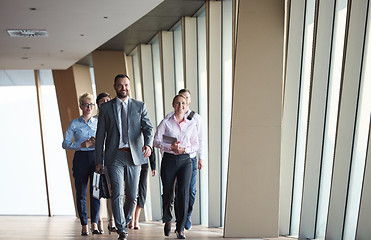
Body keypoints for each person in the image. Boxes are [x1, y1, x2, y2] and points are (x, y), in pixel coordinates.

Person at [95, 74, 153, 240]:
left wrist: (148, 144)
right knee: (117, 193)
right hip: (114, 156)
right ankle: (121, 229)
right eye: (120, 85)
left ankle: (126, 221)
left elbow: (148, 128)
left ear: (129, 85)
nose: (123, 88)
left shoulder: (139, 106)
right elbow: (100, 136)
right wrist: (99, 160)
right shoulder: (106, 108)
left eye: (126, 85)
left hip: (135, 156)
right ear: (115, 87)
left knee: (133, 195)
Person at [154, 94, 199, 239]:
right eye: (178, 103)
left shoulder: (192, 124)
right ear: (173, 105)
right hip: (169, 160)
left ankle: (180, 228)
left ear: (187, 106)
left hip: (185, 160)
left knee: (183, 193)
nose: (181, 106)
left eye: (183, 103)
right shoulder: (166, 122)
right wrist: (169, 146)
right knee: (168, 193)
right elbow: (156, 141)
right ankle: (167, 219)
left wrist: (184, 150)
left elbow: (196, 144)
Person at [62, 93, 100, 236]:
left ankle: (95, 223)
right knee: (81, 193)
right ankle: (84, 224)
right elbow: (65, 144)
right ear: (81, 106)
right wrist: (81, 144)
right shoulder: (74, 124)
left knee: (95, 192)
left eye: (91, 104)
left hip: (96, 158)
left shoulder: (98, 123)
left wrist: (98, 143)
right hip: (80, 159)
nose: (89, 107)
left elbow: (106, 141)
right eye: (86, 104)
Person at [166, 89, 204, 230]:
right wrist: (174, 145)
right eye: (180, 100)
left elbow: (200, 139)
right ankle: (178, 221)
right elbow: (164, 138)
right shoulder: (169, 118)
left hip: (191, 159)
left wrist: (202, 158)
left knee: (190, 191)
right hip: (174, 158)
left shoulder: (196, 118)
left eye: (186, 99)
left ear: (189, 101)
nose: (183, 103)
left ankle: (187, 214)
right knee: (177, 190)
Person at [94, 92, 118, 234]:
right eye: (102, 101)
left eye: (108, 100)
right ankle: (98, 222)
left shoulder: (114, 119)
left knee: (111, 190)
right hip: (97, 159)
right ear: (98, 104)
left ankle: (112, 221)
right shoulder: (94, 120)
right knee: (98, 191)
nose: (106, 103)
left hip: (112, 159)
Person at [128, 151, 156, 230]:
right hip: (132, 162)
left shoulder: (147, 138)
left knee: (142, 190)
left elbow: (152, 149)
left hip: (144, 163)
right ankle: (132, 219)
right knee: (133, 190)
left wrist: (153, 167)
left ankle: (136, 220)